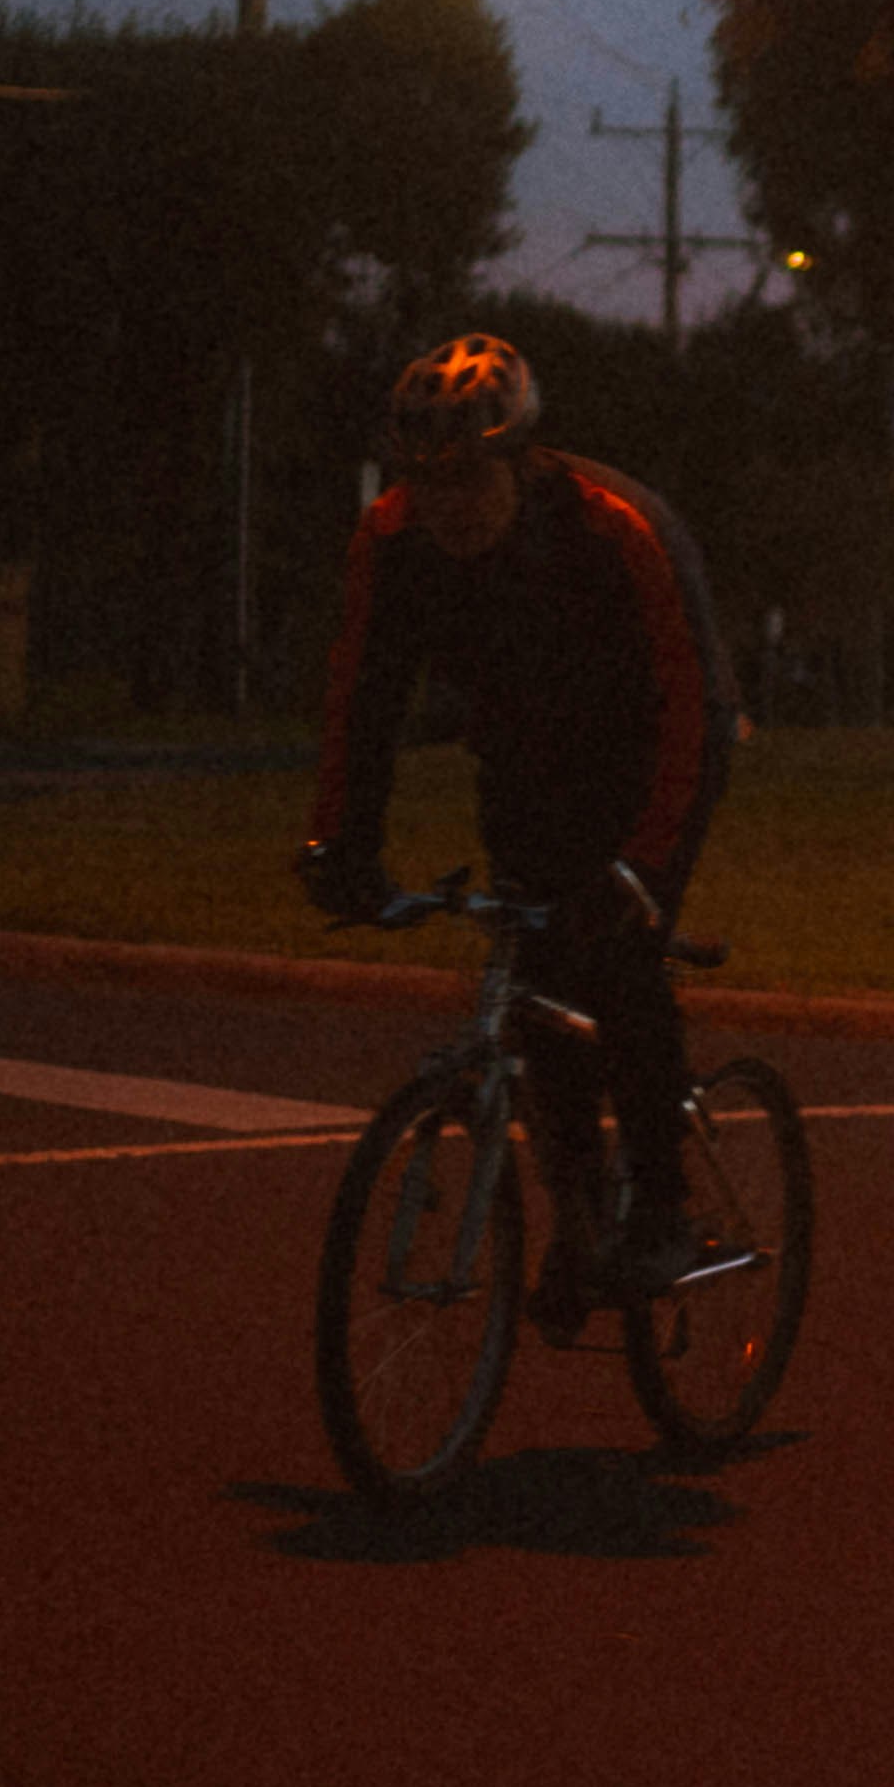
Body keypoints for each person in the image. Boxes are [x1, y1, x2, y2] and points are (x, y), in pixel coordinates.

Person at [297, 335, 741, 1299]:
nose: (445, 508)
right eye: (425, 483)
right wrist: (342, 845)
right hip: (523, 765)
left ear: (517, 461)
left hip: (650, 755)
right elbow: (362, 701)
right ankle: (579, 1217)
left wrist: (641, 871)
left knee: (619, 965)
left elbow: (697, 708)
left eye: (466, 482)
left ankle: (665, 1207)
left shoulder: (613, 526)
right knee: (534, 984)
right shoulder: (391, 538)